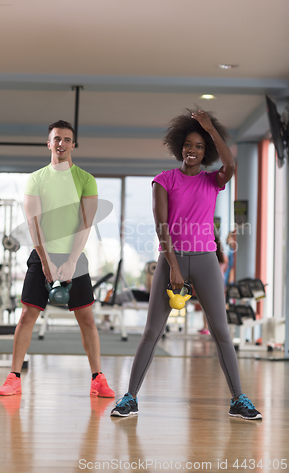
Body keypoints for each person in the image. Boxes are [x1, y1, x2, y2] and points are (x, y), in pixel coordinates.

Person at [111, 109, 262, 420]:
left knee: (221, 331)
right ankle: (129, 398)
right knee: (152, 331)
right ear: (179, 146)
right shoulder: (163, 180)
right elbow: (161, 227)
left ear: (206, 151)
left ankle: (238, 399)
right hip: (172, 259)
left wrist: (208, 127)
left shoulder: (213, 181)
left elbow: (231, 164)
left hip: (206, 260)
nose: (192, 150)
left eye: (200, 146)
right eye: (188, 144)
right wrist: (174, 267)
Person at [0, 120, 114, 399]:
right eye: (56, 139)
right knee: (27, 315)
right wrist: (46, 260)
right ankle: (13, 377)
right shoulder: (36, 178)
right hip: (41, 254)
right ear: (48, 143)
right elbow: (33, 224)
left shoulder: (86, 179)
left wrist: (73, 260)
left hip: (75, 255)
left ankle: (98, 379)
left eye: (66, 139)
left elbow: (85, 224)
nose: (61, 143)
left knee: (87, 318)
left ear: (73, 144)